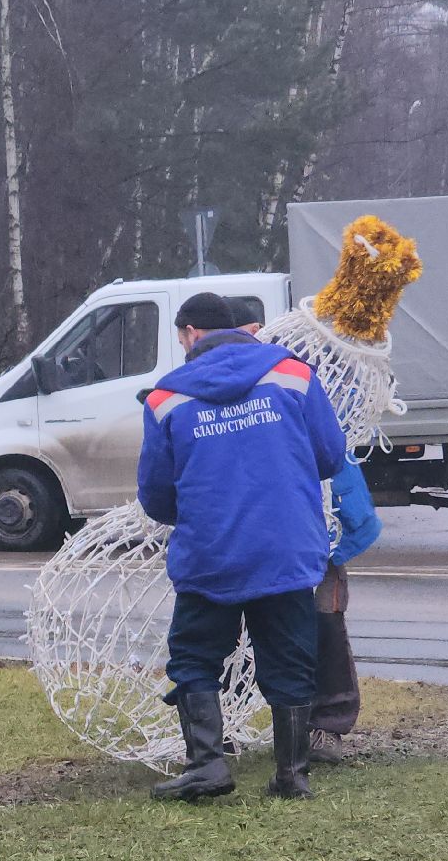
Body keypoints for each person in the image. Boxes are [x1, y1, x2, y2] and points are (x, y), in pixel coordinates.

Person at [138, 292, 348, 801]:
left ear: (190, 334)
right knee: (289, 658)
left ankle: (207, 766)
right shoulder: (293, 375)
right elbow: (330, 455)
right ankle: (291, 774)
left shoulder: (165, 400)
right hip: (286, 548)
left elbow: (157, 495)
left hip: (211, 553)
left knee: (195, 656)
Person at [308, 461, 381, 764]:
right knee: (245, 625)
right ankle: (226, 720)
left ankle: (327, 724)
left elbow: (331, 450)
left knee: (326, 622)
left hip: (324, 522)